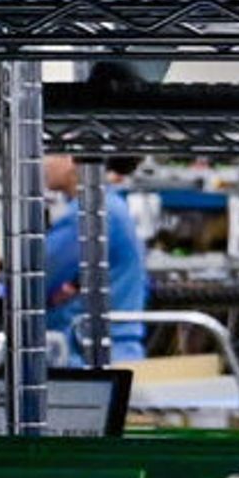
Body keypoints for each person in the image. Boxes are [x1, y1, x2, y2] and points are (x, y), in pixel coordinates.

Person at [39, 153, 148, 364]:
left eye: (51, 153)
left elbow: (35, 276)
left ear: (71, 158)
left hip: (92, 356)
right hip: (103, 351)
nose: (44, 162)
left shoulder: (92, 211)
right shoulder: (108, 204)